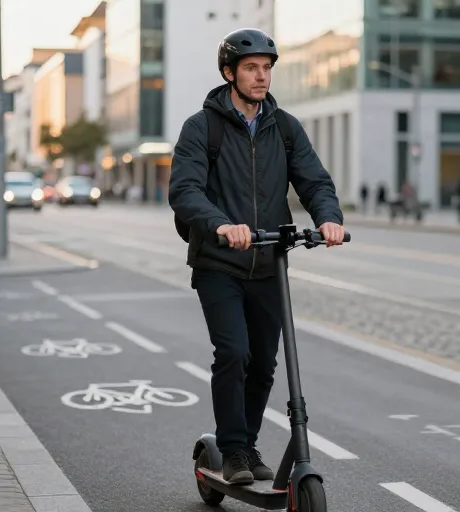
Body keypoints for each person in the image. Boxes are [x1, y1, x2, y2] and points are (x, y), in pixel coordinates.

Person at [168, 28, 344, 486]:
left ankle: (246, 445)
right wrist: (220, 224)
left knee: (265, 361)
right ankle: (231, 452)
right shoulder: (200, 127)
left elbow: (314, 180)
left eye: (266, 68)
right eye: (251, 68)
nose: (261, 76)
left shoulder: (283, 127)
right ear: (229, 73)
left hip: (269, 262)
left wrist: (328, 218)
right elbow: (184, 191)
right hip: (218, 262)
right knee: (233, 352)